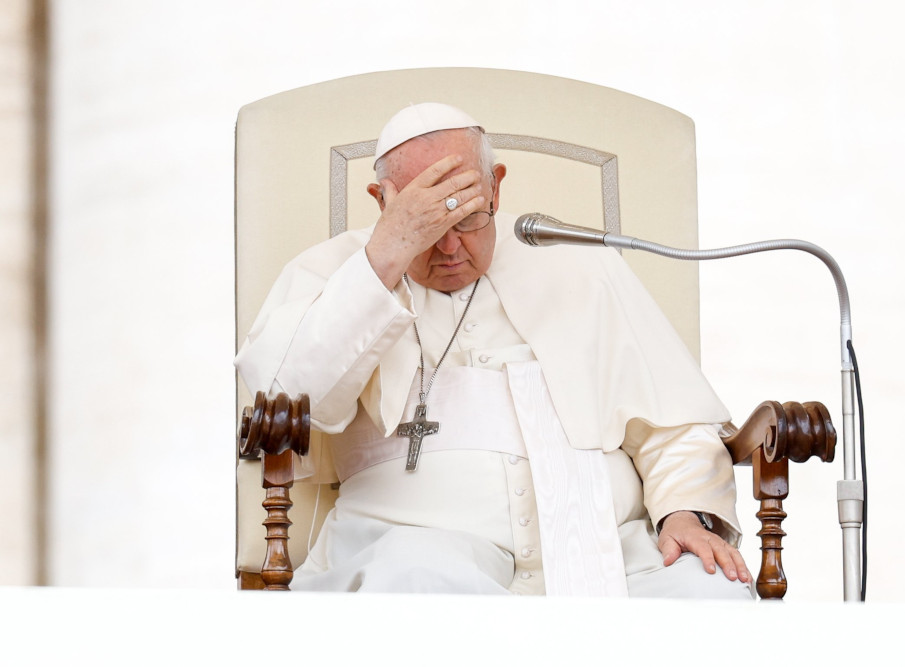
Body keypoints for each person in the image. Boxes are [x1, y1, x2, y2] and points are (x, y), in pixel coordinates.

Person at [235, 102, 753, 598]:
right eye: (427, 226)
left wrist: (683, 511)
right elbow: (286, 400)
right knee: (415, 585)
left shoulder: (581, 266)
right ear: (382, 201)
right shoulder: (334, 272)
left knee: (709, 594)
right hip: (413, 543)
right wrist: (385, 256)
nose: (450, 248)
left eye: (467, 220)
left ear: (496, 188)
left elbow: (673, 421)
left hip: (606, 547)